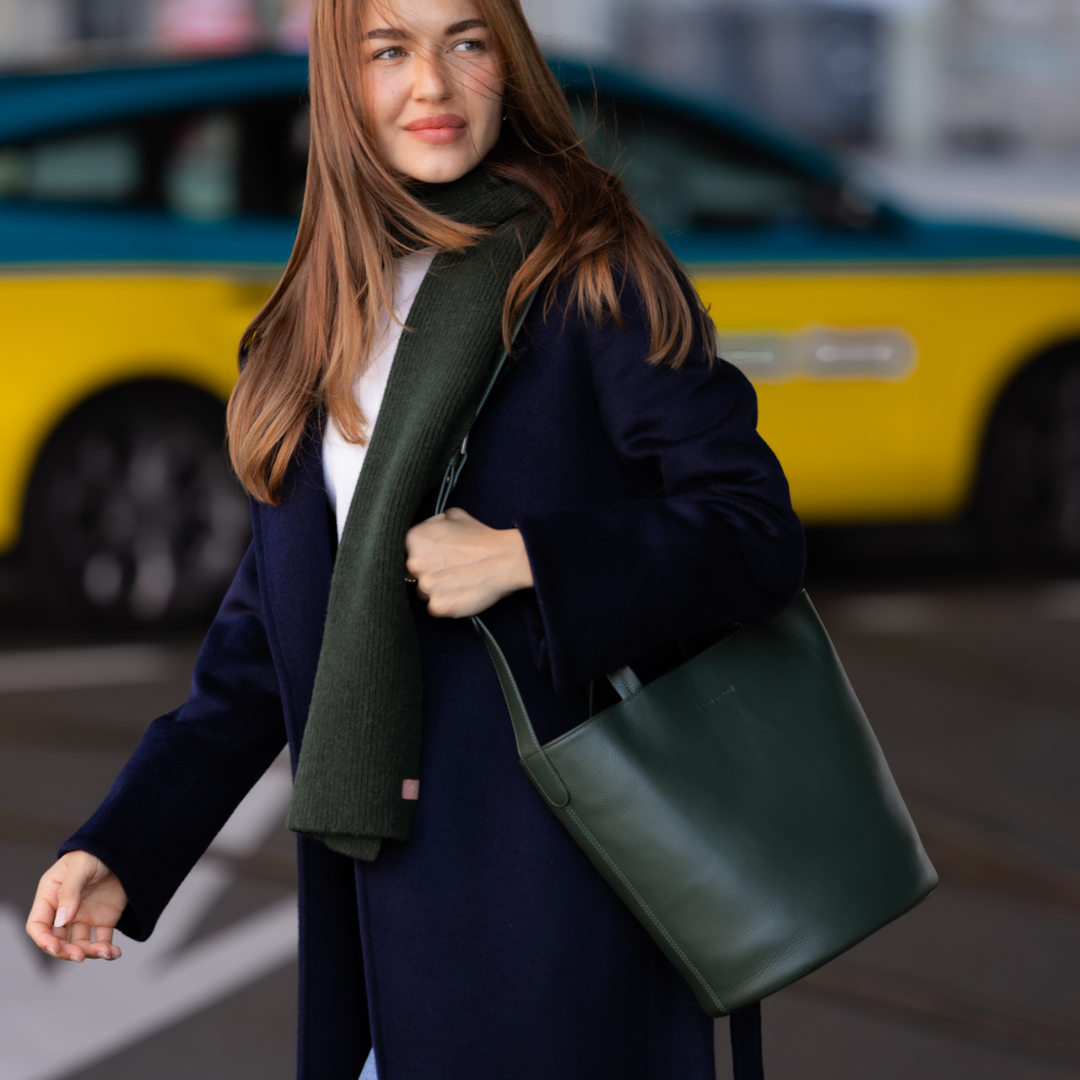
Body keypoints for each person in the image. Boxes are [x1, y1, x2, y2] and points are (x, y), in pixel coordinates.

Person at [26, 1, 806, 1077]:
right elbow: (270, 639)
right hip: (379, 898)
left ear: (509, 63)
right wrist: (124, 846)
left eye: (465, 41)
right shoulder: (321, 313)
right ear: (340, 84)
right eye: (387, 49)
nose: (431, 84)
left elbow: (753, 529)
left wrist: (531, 556)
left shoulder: (589, 270)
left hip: (557, 897)